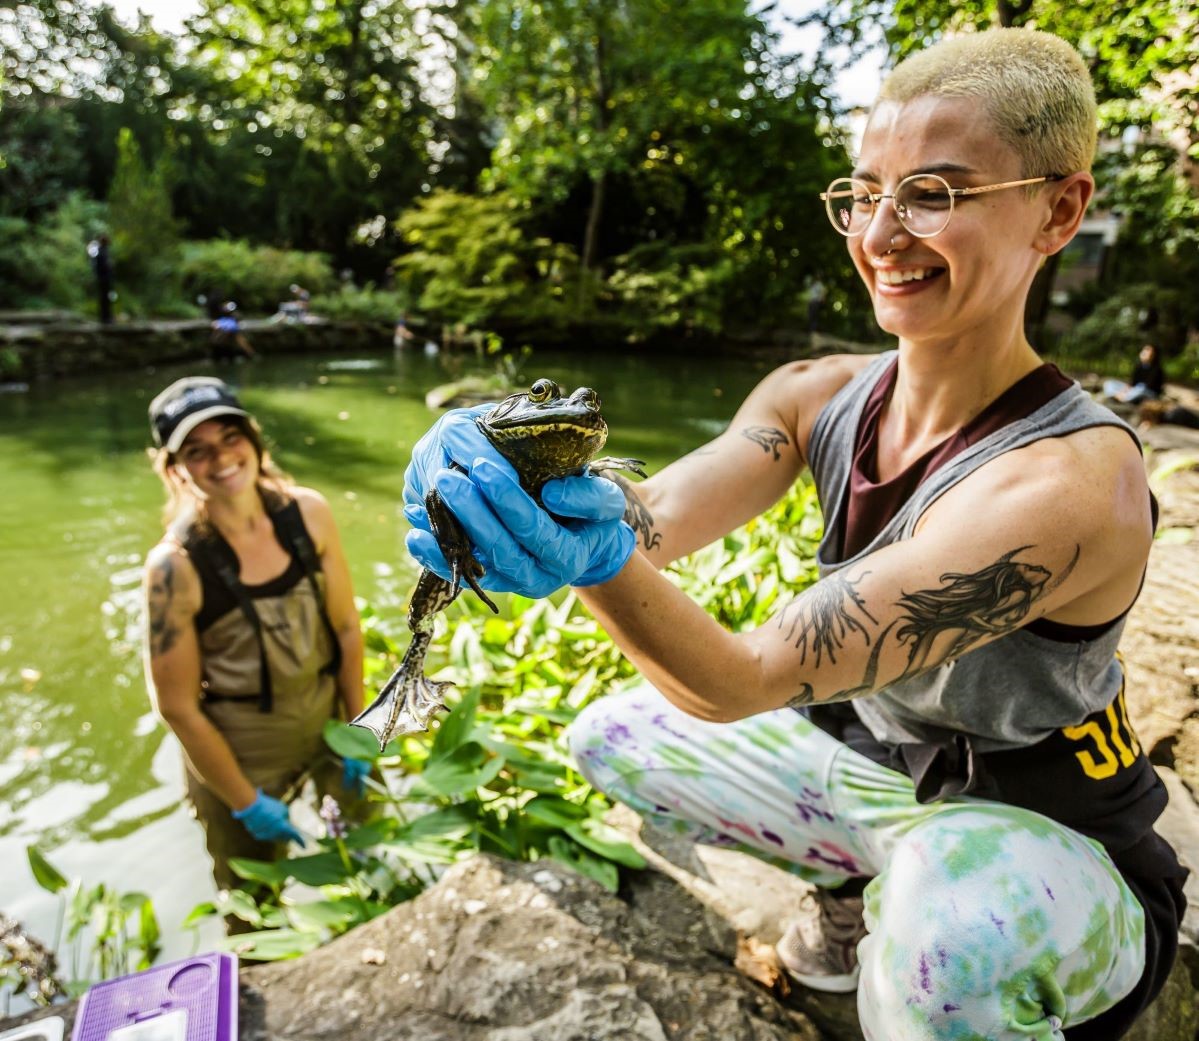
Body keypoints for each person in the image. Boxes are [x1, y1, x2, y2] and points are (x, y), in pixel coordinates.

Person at [399, 29, 1185, 1040]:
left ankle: (968, 963)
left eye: (933, 194)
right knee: (613, 736)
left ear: (1058, 210)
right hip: (885, 776)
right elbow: (654, 518)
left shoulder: (1067, 485)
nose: (880, 233)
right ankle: (858, 886)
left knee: (947, 944)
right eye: (863, 193)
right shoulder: (816, 395)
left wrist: (583, 559)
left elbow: (741, 676)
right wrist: (533, 482)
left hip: (1050, 842)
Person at [141, 377, 372, 920]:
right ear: (176, 469)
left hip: (327, 718)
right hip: (239, 746)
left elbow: (345, 627)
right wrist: (244, 800)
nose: (221, 459)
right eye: (197, 451)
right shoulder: (173, 567)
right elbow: (176, 705)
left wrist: (358, 727)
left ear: (253, 438)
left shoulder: (308, 513)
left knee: (371, 852)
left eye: (229, 437)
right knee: (253, 907)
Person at [87, 235, 114, 325]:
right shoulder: (101, 252)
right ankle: (105, 318)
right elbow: (101, 266)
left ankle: (106, 317)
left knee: (105, 298)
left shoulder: (103, 251)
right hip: (104, 279)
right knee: (104, 298)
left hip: (105, 278)